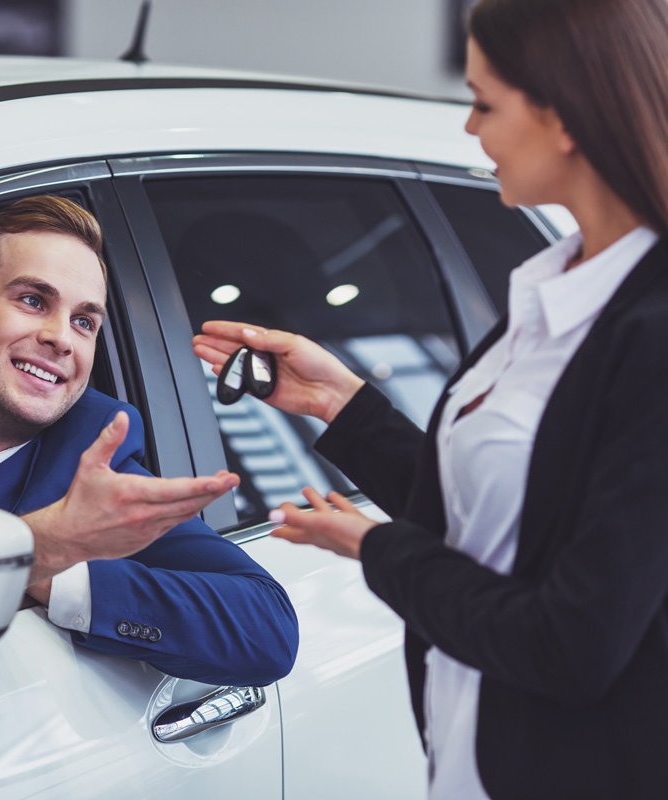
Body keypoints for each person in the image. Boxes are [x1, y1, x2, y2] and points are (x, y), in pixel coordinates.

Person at [193, 0, 668, 796]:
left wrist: (373, 549)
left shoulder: (651, 335)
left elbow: (573, 640)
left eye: (484, 103)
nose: (468, 130)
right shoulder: (545, 297)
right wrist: (343, 406)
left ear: (565, 118)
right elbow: (494, 521)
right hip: (468, 762)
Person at [0, 194, 298, 686]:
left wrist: (52, 575)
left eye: (84, 321)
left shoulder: (91, 462)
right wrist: (38, 547)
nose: (62, 338)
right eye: (33, 301)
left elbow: (266, 633)